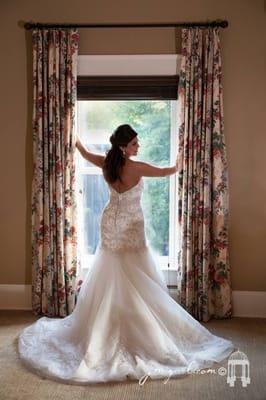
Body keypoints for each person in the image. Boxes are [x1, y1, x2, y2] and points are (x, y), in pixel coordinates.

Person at [17, 124, 235, 385]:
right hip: (131, 225)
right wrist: (182, 157)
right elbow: (169, 171)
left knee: (112, 273)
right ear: (124, 147)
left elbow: (85, 153)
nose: (138, 147)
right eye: (134, 143)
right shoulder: (137, 167)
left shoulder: (106, 162)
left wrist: (73, 136)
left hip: (110, 222)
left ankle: (109, 326)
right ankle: (129, 330)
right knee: (134, 273)